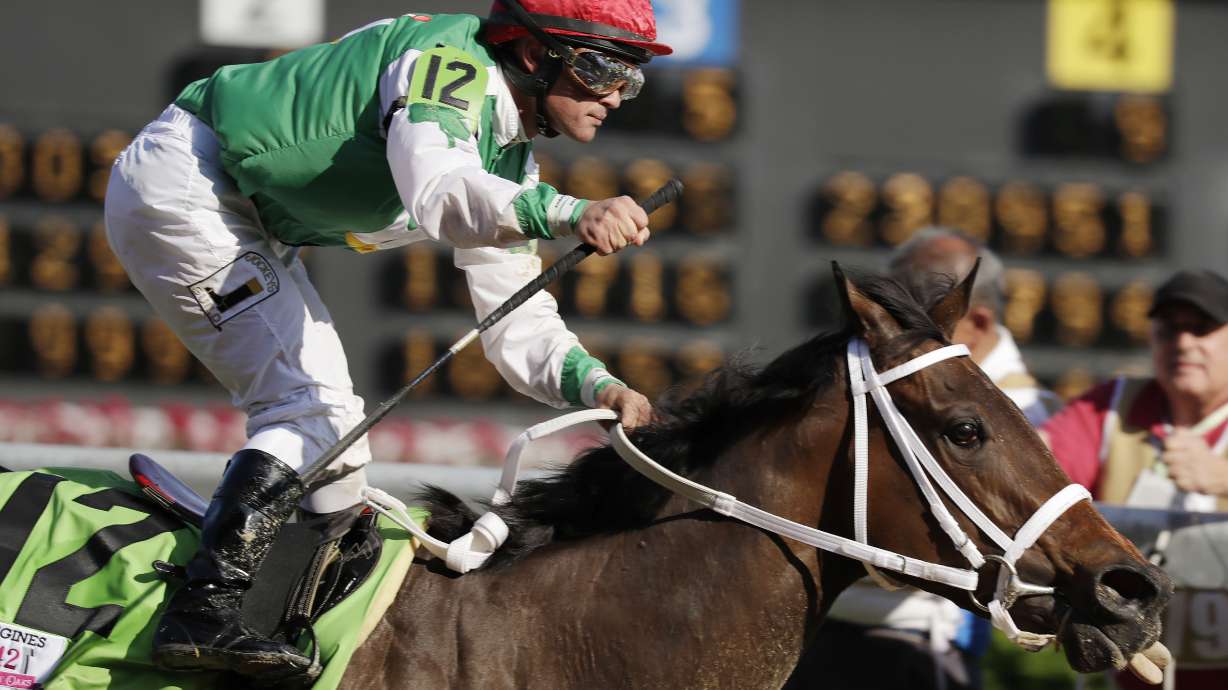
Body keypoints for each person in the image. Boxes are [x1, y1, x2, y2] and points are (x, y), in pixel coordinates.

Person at [103, 1, 671, 682]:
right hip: (185, 190)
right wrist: (572, 211)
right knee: (317, 413)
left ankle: (281, 628)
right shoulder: (449, 64)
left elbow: (515, 321)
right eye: (601, 67)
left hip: (244, 217)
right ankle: (200, 614)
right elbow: (439, 190)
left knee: (341, 468)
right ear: (532, 52)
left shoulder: (510, 162)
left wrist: (599, 388)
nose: (614, 94)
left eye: (630, 79)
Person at [790, 228, 1060, 690]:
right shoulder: (883, 393)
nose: (888, 325)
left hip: (917, 650)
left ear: (974, 320)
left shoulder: (1033, 416)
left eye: (913, 311)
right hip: (817, 632)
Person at [1042, 269, 1228, 690]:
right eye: (1169, 331)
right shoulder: (1112, 408)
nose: (1184, 344)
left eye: (1202, 329)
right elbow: (1038, 479)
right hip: (1135, 675)